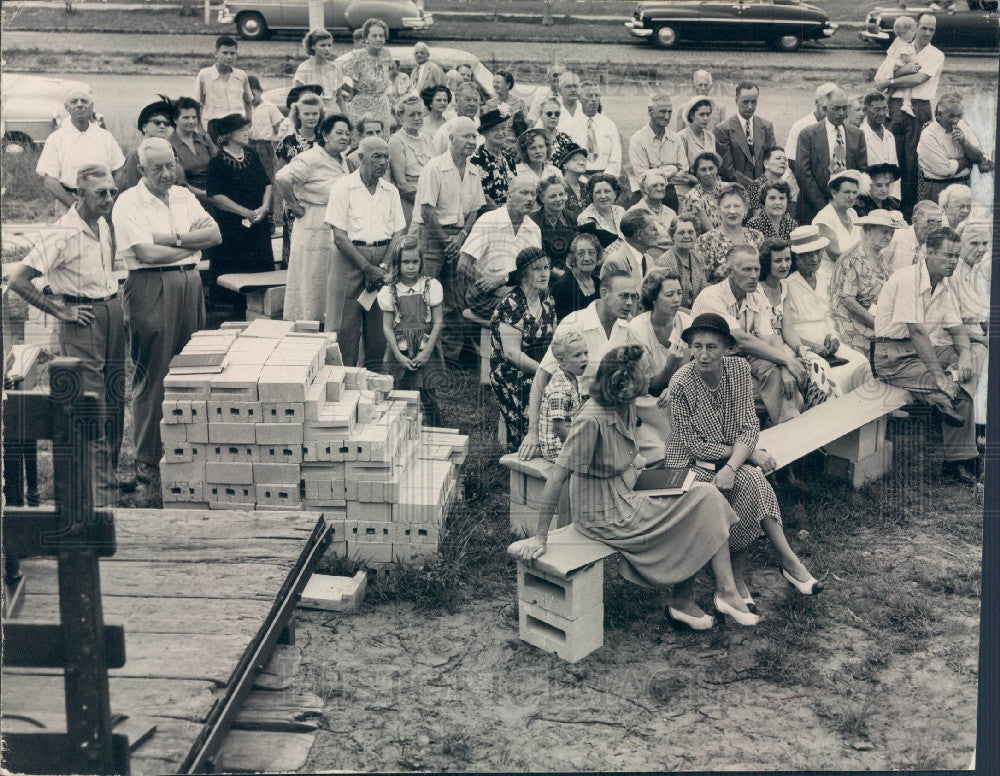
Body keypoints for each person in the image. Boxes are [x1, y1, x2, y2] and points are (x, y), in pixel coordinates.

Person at [513, 343, 759, 631]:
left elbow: (624, 454)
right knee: (701, 503)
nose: (651, 376)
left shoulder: (625, 405)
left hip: (626, 493)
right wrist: (539, 536)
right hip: (602, 514)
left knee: (706, 496)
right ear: (627, 381)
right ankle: (709, 595)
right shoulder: (592, 418)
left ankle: (705, 596)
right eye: (646, 371)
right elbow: (558, 475)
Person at [666, 313, 822, 608]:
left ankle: (780, 563)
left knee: (751, 480)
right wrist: (745, 455)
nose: (702, 355)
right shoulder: (680, 383)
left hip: (726, 459)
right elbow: (694, 446)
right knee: (740, 482)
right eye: (696, 346)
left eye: (712, 347)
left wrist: (732, 465)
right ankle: (751, 576)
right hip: (686, 466)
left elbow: (749, 427)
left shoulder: (737, 370)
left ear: (728, 348)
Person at [7, 164, 130, 506]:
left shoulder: (103, 223)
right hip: (82, 318)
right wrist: (59, 310)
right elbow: (18, 280)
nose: (108, 198)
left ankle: (107, 479)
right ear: (79, 194)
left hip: (110, 311)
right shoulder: (62, 232)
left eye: (112, 192)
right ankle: (97, 493)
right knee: (92, 405)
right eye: (100, 193)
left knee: (116, 398)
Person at [112, 137, 221, 493]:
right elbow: (146, 254)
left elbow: (215, 234)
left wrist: (171, 238)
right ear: (141, 170)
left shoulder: (184, 196)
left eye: (170, 165)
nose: (166, 173)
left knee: (190, 370)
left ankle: (183, 451)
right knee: (154, 373)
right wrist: (189, 245)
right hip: (149, 286)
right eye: (157, 168)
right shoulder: (128, 202)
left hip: (190, 284)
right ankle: (146, 462)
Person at [873, 227, 985, 483]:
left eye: (956, 256)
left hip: (921, 352)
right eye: (948, 256)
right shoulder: (907, 279)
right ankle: (959, 458)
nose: (953, 262)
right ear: (928, 252)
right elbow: (917, 332)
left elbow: (957, 329)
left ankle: (957, 456)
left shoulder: (943, 284)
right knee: (951, 389)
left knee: (974, 357)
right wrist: (940, 375)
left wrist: (965, 355)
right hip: (892, 354)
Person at [519, 264, 637, 459]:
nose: (629, 303)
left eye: (633, 297)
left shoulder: (626, 328)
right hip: (575, 417)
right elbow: (542, 377)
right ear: (604, 293)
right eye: (623, 296)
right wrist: (532, 433)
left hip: (609, 412)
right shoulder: (574, 323)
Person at [692, 244, 805, 426]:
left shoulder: (756, 293)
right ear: (730, 271)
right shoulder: (711, 297)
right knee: (791, 395)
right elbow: (741, 339)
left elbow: (770, 337)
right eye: (746, 269)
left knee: (779, 376)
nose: (753, 276)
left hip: (744, 362)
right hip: (711, 365)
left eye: (756, 269)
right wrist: (787, 361)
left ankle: (786, 430)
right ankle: (793, 434)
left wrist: (785, 366)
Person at [324, 136, 405, 366]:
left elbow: (398, 232)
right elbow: (339, 236)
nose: (383, 162)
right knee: (343, 326)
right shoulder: (343, 187)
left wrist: (381, 267)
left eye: (386, 156)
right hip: (349, 259)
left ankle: (374, 379)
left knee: (379, 326)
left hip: (382, 261)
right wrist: (367, 268)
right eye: (376, 156)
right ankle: (340, 378)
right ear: (360, 158)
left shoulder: (391, 191)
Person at [414, 116, 487, 358]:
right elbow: (427, 209)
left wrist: (462, 237)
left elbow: (475, 210)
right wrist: (447, 241)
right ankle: (419, 350)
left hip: (459, 240)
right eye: (466, 136)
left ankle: (451, 355)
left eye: (474, 136)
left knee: (455, 299)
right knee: (426, 295)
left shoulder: (474, 172)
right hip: (433, 239)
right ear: (451, 139)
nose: (471, 141)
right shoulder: (434, 167)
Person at [767, 235, 872, 394]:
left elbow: (827, 314)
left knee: (861, 362)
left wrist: (832, 336)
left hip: (826, 341)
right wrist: (811, 345)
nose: (815, 259)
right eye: (808, 254)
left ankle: (865, 413)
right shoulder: (787, 283)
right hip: (799, 344)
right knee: (827, 374)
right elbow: (786, 328)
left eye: (818, 252)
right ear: (798, 257)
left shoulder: (823, 276)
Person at [274, 113, 350, 323]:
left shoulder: (341, 159)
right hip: (313, 221)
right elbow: (282, 177)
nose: (344, 137)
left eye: (347, 133)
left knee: (328, 275)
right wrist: (293, 205)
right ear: (325, 135)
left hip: (334, 222)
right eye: (338, 133)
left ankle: (327, 322)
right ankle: (307, 322)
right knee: (312, 275)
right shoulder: (311, 157)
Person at [490, 247, 557, 451]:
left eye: (546, 267)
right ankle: (516, 462)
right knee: (528, 414)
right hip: (511, 373)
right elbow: (512, 353)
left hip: (540, 366)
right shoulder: (511, 305)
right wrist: (545, 372)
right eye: (537, 269)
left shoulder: (547, 300)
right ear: (523, 275)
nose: (544, 273)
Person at [626, 269, 691, 463]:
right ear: (653, 298)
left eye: (679, 293)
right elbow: (648, 386)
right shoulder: (636, 329)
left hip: (678, 391)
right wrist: (670, 367)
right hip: (647, 399)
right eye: (669, 294)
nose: (677, 300)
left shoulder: (686, 322)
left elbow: (692, 369)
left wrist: (674, 387)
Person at [882, 13, 945, 216]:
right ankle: (890, 205)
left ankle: (911, 209)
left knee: (914, 159)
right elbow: (883, 73)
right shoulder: (901, 47)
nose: (927, 33)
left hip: (919, 107)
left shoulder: (936, 54)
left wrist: (890, 82)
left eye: (932, 29)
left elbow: (918, 79)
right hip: (895, 105)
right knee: (891, 154)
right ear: (915, 27)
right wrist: (889, 78)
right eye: (924, 27)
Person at [378, 234, 444, 425]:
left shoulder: (431, 286)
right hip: (401, 347)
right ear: (397, 263)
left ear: (421, 262)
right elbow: (387, 327)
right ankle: (401, 431)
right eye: (405, 262)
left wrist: (427, 352)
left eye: (415, 262)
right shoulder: (390, 291)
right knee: (398, 394)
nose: (410, 266)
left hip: (425, 345)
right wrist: (398, 355)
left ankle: (435, 431)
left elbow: (438, 322)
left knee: (429, 395)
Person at [459, 176, 541, 321]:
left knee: (546, 303)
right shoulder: (489, 220)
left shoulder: (533, 229)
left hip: (517, 290)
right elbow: (463, 265)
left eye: (533, 194)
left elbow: (535, 269)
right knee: (522, 311)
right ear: (509, 196)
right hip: (484, 295)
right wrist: (489, 285)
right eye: (524, 193)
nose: (530, 198)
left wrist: (503, 281)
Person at [205, 114, 274, 282]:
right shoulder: (217, 162)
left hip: (258, 221)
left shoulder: (251, 154)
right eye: (242, 130)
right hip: (232, 226)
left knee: (261, 273)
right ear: (228, 134)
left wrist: (264, 208)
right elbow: (215, 196)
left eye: (247, 129)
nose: (246, 133)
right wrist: (245, 213)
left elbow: (267, 183)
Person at [36, 90, 125, 208]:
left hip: (103, 203)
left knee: (102, 227)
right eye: (74, 102)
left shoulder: (105, 136)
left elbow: (120, 171)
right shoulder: (56, 138)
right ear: (67, 107)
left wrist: (108, 198)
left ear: (91, 106)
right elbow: (49, 181)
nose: (79, 105)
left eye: (84, 101)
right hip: (68, 202)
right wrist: (75, 207)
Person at [829, 211, 899, 355]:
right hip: (851, 322)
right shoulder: (852, 258)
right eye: (884, 232)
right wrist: (877, 323)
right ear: (867, 230)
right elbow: (848, 301)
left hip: (877, 318)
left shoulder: (880, 255)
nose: (889, 237)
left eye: (891, 233)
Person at [795, 88, 868, 224]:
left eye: (844, 108)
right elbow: (803, 173)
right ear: (825, 108)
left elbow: (861, 171)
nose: (841, 113)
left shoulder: (857, 134)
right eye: (836, 108)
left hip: (847, 207)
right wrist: (826, 208)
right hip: (814, 207)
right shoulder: (808, 134)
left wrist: (848, 201)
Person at [917, 94, 992, 205]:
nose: (956, 120)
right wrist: (968, 160)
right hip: (938, 188)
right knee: (938, 220)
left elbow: (979, 158)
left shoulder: (963, 126)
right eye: (951, 116)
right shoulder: (929, 134)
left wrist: (964, 143)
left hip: (963, 184)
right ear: (938, 115)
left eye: (959, 116)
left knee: (962, 220)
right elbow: (945, 170)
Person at [276, 92, 324, 265]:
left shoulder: (325, 140)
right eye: (306, 114)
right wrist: (292, 205)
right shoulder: (288, 142)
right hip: (296, 204)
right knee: (298, 250)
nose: (311, 118)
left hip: (321, 203)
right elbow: (280, 177)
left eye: (315, 113)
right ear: (298, 115)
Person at [627, 93, 689, 210]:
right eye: (662, 112)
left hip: (669, 194)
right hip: (644, 195)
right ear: (650, 111)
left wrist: (655, 172)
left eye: (670, 112)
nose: (667, 116)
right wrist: (672, 169)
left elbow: (684, 173)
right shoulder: (637, 140)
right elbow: (644, 178)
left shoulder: (675, 139)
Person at [693, 183, 763, 284]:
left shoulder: (757, 237)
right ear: (719, 210)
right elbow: (701, 282)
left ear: (745, 209)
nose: (732, 211)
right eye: (727, 206)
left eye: (737, 206)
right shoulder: (707, 241)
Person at [714, 81, 777, 189]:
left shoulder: (766, 126)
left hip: (764, 189)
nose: (749, 107)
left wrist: (763, 185)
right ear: (736, 101)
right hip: (736, 190)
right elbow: (727, 169)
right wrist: (753, 186)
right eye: (745, 102)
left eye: (754, 102)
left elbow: (773, 160)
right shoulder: (723, 130)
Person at [119, 97, 189, 193]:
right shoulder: (135, 156)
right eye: (157, 122)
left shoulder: (172, 151)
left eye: (166, 123)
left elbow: (182, 184)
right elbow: (132, 190)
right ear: (144, 127)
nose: (162, 126)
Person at [538, 330, 587, 462]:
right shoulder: (559, 388)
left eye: (585, 353)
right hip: (557, 448)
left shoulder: (572, 378)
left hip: (569, 437)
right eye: (577, 355)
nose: (584, 358)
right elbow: (559, 426)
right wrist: (577, 448)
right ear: (562, 361)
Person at [386, 95, 433, 225]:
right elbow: (401, 184)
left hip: (431, 199)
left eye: (419, 114)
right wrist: (425, 204)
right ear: (400, 117)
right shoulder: (396, 141)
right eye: (412, 115)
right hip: (410, 203)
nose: (417, 118)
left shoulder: (426, 138)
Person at [341, 19, 394, 129]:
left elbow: (387, 77)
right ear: (366, 38)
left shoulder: (386, 54)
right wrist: (351, 93)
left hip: (382, 105)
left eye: (381, 36)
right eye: (374, 36)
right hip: (362, 106)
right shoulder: (357, 57)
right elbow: (343, 79)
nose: (378, 39)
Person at [247, 75, 284, 222]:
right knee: (250, 179)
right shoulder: (244, 108)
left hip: (265, 147)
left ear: (260, 91)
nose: (250, 98)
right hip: (248, 145)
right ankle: (253, 211)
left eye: (253, 94)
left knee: (267, 181)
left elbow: (279, 128)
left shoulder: (269, 107)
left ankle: (270, 216)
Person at [194, 35, 253, 125]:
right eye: (225, 53)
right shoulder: (204, 75)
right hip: (213, 126)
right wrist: (200, 128)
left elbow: (248, 101)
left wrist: (249, 121)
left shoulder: (241, 75)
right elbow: (196, 105)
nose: (229, 57)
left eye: (232, 53)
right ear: (216, 54)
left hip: (236, 125)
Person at [170, 97, 216, 208]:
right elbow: (180, 184)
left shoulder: (204, 140)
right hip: (189, 199)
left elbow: (218, 166)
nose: (191, 121)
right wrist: (207, 195)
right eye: (186, 118)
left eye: (194, 117)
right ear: (175, 120)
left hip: (215, 193)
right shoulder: (169, 145)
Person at [812, 169, 862, 267]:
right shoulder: (823, 218)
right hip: (832, 274)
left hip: (856, 269)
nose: (851, 197)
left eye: (854, 192)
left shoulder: (852, 213)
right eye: (847, 192)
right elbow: (836, 255)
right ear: (834, 193)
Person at [470, 107, 517, 208]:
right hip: (490, 216)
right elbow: (483, 198)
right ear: (484, 133)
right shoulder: (477, 159)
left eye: (503, 128)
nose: (500, 133)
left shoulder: (509, 159)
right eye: (494, 129)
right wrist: (503, 216)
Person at [294, 29, 349, 115]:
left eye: (329, 45)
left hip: (333, 115)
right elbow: (299, 99)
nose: (327, 49)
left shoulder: (335, 68)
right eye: (323, 45)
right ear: (313, 46)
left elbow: (339, 98)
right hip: (312, 115)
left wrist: (346, 118)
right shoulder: (304, 68)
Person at [785, 81, 838, 170]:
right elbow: (792, 160)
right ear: (816, 102)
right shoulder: (800, 126)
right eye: (825, 107)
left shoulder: (840, 126)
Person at [530, 175, 577, 274]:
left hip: (571, 271)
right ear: (542, 199)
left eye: (561, 194)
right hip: (543, 273)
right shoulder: (532, 221)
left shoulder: (571, 217)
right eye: (553, 196)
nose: (559, 199)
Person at [874, 15, 918, 119]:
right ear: (905, 32)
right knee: (908, 82)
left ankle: (885, 106)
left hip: (891, 67)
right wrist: (915, 62)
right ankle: (907, 103)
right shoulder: (903, 46)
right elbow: (905, 58)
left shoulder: (897, 41)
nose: (914, 34)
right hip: (896, 67)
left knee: (891, 89)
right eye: (912, 31)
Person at [601, 209, 659, 288]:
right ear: (639, 234)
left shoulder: (649, 260)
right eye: (653, 229)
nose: (658, 233)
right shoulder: (616, 262)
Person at [658, 214, 706, 308]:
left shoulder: (698, 258)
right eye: (681, 233)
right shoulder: (664, 263)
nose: (687, 236)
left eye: (691, 232)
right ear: (672, 237)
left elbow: (703, 290)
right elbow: (666, 301)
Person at [859, 92, 900, 200]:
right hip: (867, 198)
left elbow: (894, 170)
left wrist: (895, 198)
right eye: (877, 110)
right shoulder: (859, 136)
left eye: (884, 109)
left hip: (889, 197)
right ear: (865, 110)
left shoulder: (890, 136)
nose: (882, 113)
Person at [551, 232, 602, 320]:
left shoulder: (598, 283)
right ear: (573, 258)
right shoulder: (563, 286)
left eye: (591, 253)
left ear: (597, 256)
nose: (587, 258)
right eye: (581, 254)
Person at [627, 170, 676, 257]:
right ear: (643, 189)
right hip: (649, 259)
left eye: (662, 185)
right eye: (654, 185)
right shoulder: (635, 212)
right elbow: (632, 244)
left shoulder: (671, 212)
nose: (659, 189)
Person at [578, 81, 622, 179]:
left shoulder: (609, 125)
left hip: (605, 177)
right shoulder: (571, 125)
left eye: (597, 95)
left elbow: (616, 157)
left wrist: (605, 179)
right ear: (579, 98)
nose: (593, 99)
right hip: (579, 177)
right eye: (589, 95)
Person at [746, 146, 798, 217]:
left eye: (785, 159)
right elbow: (757, 217)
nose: (783, 161)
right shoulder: (755, 186)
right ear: (766, 164)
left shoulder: (785, 186)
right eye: (778, 158)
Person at [431, 82, 482, 155]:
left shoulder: (483, 126)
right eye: (468, 100)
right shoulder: (446, 129)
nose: (472, 104)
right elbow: (434, 158)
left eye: (475, 100)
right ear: (457, 100)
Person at [681, 151, 724, 234]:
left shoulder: (726, 189)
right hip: (709, 240)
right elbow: (711, 231)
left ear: (717, 169)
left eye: (711, 168)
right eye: (703, 170)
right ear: (696, 173)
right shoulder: (693, 197)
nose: (708, 173)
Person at [675, 69, 726, 133]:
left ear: (710, 87)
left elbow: (722, 135)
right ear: (694, 87)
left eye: (706, 85)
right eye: (700, 85)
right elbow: (678, 137)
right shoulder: (683, 109)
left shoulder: (720, 109)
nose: (703, 88)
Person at [577, 173, 625, 239]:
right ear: (591, 195)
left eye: (607, 191)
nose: (603, 196)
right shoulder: (585, 218)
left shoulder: (620, 211)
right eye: (598, 192)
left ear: (615, 193)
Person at [535, 96, 576, 168]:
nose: (553, 116)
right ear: (541, 115)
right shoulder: (533, 138)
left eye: (557, 114)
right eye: (549, 113)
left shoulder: (565, 139)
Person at [678, 98, 717, 168]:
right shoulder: (682, 137)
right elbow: (682, 167)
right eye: (701, 115)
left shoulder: (710, 136)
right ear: (691, 115)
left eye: (708, 114)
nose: (706, 118)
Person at [554, 142, 589, 218]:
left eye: (584, 159)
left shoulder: (587, 187)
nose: (582, 163)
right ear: (565, 165)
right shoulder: (557, 187)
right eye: (575, 160)